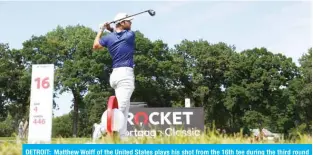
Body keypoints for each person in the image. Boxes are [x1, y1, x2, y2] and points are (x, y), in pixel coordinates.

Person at [92, 12, 136, 142]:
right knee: (120, 109)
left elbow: (95, 45)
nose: (131, 23)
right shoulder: (130, 35)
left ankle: (122, 137)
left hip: (115, 75)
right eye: (128, 21)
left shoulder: (109, 38)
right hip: (125, 76)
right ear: (122, 23)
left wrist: (101, 29)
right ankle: (100, 129)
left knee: (125, 107)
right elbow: (120, 34)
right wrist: (109, 28)